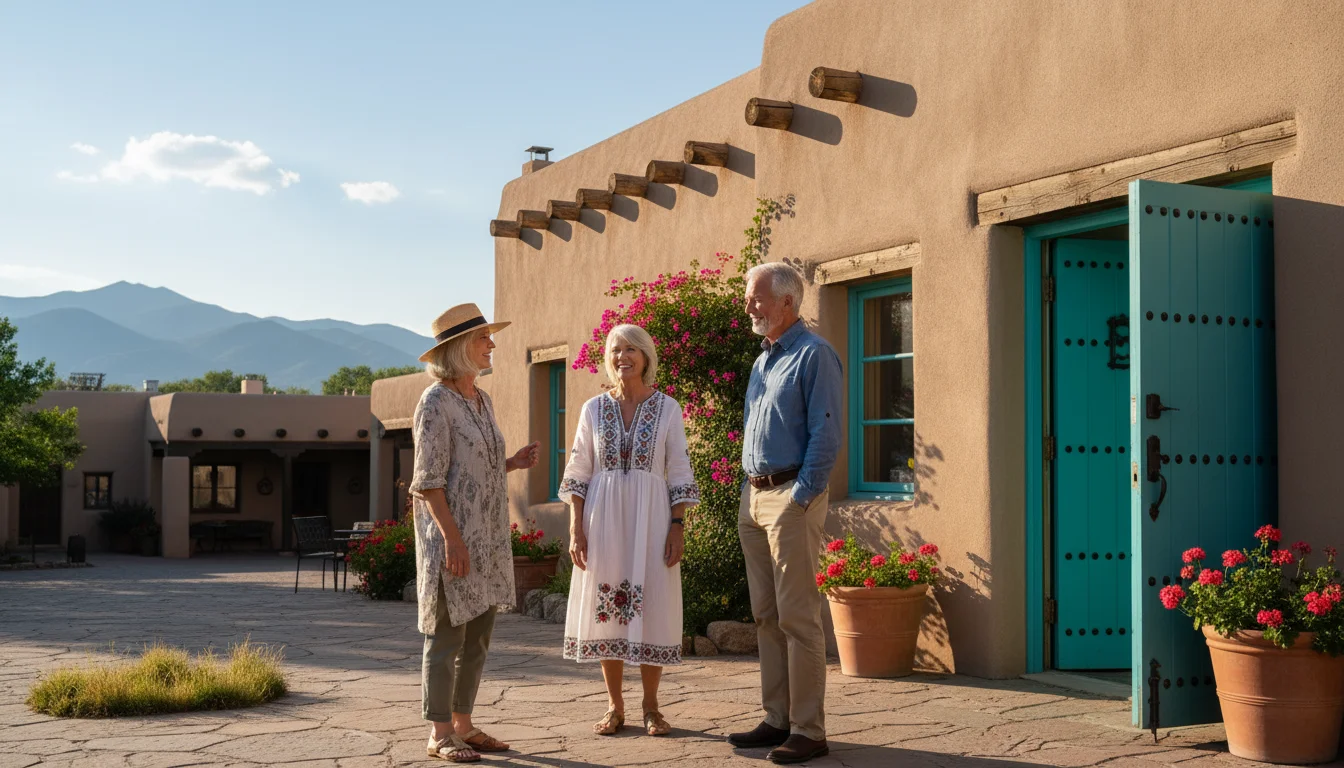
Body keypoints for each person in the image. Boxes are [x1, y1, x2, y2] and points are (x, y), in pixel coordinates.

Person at [410, 303, 540, 763]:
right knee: (446, 635)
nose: (492, 345)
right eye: (484, 337)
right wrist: (452, 540)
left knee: (479, 634)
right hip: (454, 540)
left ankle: (464, 724)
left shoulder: (482, 400)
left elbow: (474, 463)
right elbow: (428, 481)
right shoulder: (435, 402)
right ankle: (439, 732)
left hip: (488, 538)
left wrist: (512, 463)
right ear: (461, 348)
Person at [559, 324, 699, 738]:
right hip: (602, 521)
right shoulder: (592, 409)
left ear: (647, 357)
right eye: (616, 350)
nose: (623, 356)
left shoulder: (668, 409)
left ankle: (652, 707)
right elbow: (579, 470)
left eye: (632, 350)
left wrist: (678, 525)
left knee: (652, 603)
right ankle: (614, 706)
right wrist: (575, 528)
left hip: (652, 519)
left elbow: (678, 470)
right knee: (609, 612)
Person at [728, 263, 842, 765]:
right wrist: (750, 495)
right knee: (767, 616)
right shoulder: (762, 362)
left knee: (798, 618)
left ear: (786, 303)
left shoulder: (814, 354)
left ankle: (808, 729)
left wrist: (801, 497)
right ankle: (776, 717)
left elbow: (827, 432)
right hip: (753, 499)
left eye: (756, 298)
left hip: (790, 497)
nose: (749, 306)